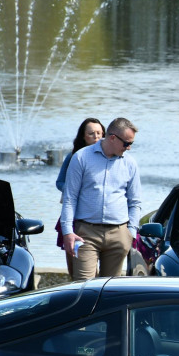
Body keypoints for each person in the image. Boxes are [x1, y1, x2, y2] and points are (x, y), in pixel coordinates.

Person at [60, 117, 142, 281]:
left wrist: (130, 234)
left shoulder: (130, 163)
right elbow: (70, 198)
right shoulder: (81, 157)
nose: (129, 147)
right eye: (126, 143)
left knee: (110, 291)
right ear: (112, 138)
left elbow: (135, 202)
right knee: (83, 288)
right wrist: (67, 232)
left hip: (119, 234)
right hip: (86, 234)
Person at [55, 118, 105, 277]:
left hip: (101, 219)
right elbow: (59, 181)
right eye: (91, 134)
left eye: (99, 133)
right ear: (83, 137)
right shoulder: (74, 156)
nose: (96, 137)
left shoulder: (109, 156)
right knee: (76, 267)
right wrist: (74, 190)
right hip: (76, 216)